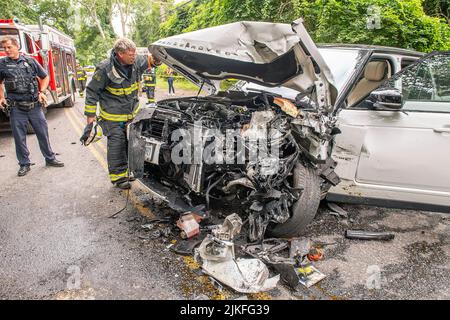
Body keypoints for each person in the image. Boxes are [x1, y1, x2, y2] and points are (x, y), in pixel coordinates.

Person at [83, 38, 160, 189]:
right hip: (112, 117)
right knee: (117, 145)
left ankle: (130, 171)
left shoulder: (136, 62)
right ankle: (118, 178)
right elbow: (92, 93)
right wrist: (90, 120)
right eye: (130, 54)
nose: (134, 56)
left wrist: (159, 58)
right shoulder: (105, 69)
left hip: (132, 115)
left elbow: (151, 61)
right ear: (120, 54)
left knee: (132, 144)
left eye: (135, 53)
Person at [0, 36, 64, 176]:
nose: (6, 50)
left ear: (17, 46)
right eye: (4, 48)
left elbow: (45, 77)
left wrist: (42, 92)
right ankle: (24, 164)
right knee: (19, 138)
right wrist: (1, 97)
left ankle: (50, 158)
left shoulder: (30, 61)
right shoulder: (2, 64)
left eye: (9, 47)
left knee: (43, 134)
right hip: (16, 107)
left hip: (34, 106)